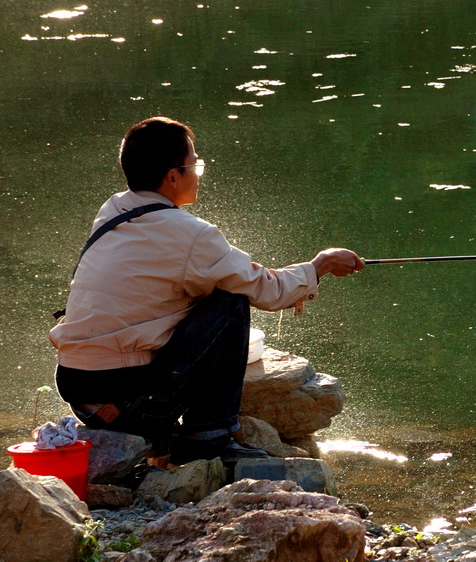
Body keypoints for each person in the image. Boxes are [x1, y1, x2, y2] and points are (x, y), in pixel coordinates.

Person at [49, 116, 364, 464]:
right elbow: (268, 291)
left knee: (210, 297)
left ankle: (164, 441)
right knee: (230, 303)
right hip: (129, 407)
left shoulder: (113, 211)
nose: (198, 171)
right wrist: (320, 266)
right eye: (194, 163)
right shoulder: (190, 233)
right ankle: (210, 436)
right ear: (173, 176)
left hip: (84, 400)